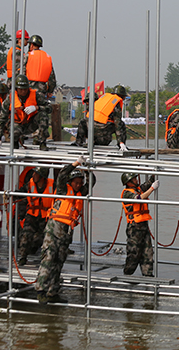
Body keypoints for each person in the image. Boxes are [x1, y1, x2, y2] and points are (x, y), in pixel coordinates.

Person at [36, 156, 94, 304]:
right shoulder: (62, 189)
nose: (78, 185)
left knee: (59, 261)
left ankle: (53, 292)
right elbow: (62, 174)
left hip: (67, 231)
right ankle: (41, 290)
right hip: (54, 228)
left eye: (80, 183)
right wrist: (76, 163)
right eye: (76, 182)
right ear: (70, 182)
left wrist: (87, 170)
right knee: (48, 258)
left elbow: (92, 182)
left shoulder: (81, 192)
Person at [0, 74, 49, 150]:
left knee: (43, 115)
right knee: (13, 130)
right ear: (16, 89)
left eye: (25, 89)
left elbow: (49, 108)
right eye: (21, 89)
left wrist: (37, 107)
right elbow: (2, 118)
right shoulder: (10, 99)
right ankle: (15, 142)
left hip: (31, 124)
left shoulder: (36, 96)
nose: (23, 92)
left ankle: (42, 142)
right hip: (17, 124)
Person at [120, 172, 159, 276]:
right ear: (128, 182)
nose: (136, 180)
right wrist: (152, 188)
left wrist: (154, 174)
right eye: (134, 179)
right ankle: (127, 275)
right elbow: (139, 198)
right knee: (134, 253)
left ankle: (148, 275)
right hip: (134, 228)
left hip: (144, 226)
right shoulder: (127, 193)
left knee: (148, 252)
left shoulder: (138, 189)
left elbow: (148, 183)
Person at [17, 167, 54, 266]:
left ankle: (44, 258)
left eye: (36, 174)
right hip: (32, 214)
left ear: (42, 176)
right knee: (26, 235)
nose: (33, 175)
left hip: (45, 216)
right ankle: (23, 257)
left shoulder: (52, 185)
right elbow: (20, 193)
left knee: (43, 237)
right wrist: (10, 195)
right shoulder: (30, 184)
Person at [72, 86, 129, 150]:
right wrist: (121, 142)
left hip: (90, 127)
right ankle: (121, 145)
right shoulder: (116, 101)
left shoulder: (104, 97)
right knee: (121, 124)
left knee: (83, 121)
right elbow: (118, 122)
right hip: (102, 129)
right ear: (122, 96)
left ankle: (78, 142)